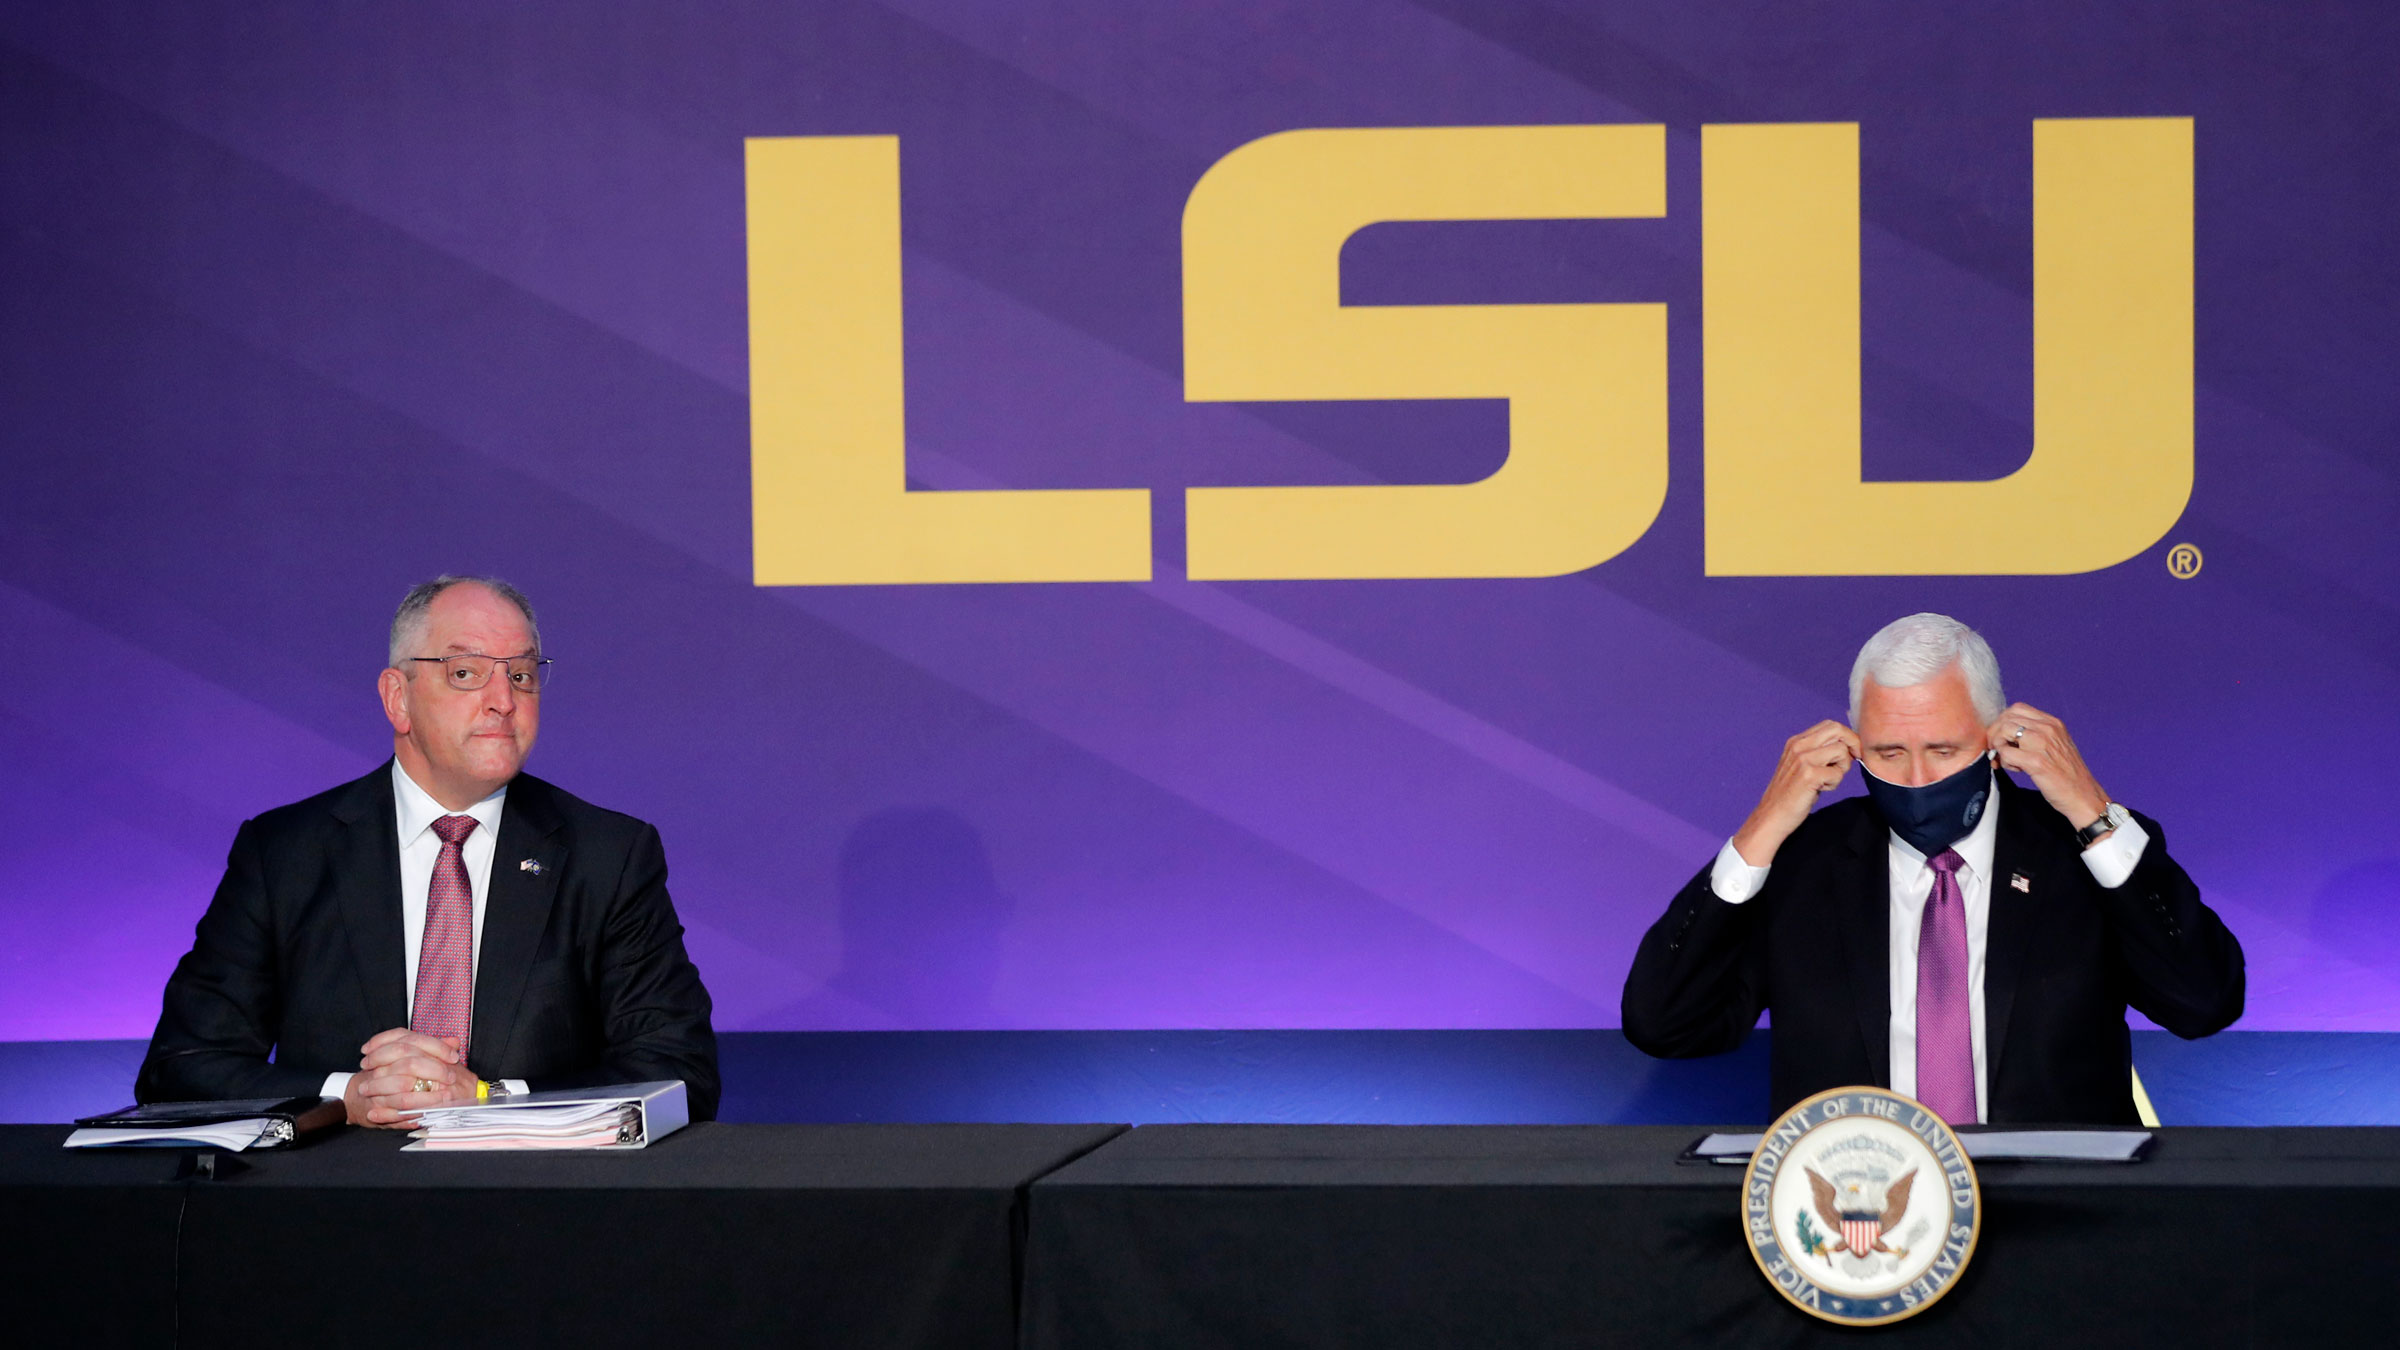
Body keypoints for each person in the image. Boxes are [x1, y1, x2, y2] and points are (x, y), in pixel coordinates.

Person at [137, 576, 720, 1124]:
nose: (503, 700)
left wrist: (489, 1099)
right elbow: (179, 1069)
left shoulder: (608, 857)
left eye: (520, 676)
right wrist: (348, 1096)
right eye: (466, 673)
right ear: (398, 698)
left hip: (536, 1208)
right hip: (329, 1211)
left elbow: (679, 1076)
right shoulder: (285, 853)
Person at [1621, 613, 2242, 1125]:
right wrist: (1761, 831)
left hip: (2062, 1228)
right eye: (1889, 753)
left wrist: (2090, 809)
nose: (1917, 780)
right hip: (1861, 1238)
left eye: (1943, 750)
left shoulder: (2082, 850)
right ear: (1855, 745)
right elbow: (1664, 1024)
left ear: (1998, 740)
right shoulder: (1803, 865)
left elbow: (2205, 1003)